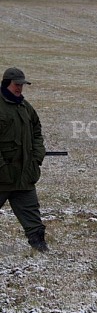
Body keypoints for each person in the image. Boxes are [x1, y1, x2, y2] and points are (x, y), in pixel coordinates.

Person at [0, 67, 48, 252]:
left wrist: (37, 156)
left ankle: (39, 246)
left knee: (32, 215)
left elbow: (36, 130)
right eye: (16, 84)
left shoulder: (24, 106)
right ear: (6, 83)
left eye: (22, 85)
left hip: (24, 175)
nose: (20, 88)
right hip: (2, 175)